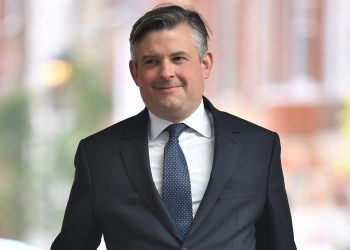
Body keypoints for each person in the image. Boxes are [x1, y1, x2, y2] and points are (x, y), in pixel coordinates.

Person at [51, 4, 297, 250]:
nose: (166, 72)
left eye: (178, 58)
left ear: (205, 64)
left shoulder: (259, 147)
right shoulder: (99, 155)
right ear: (135, 72)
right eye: (151, 61)